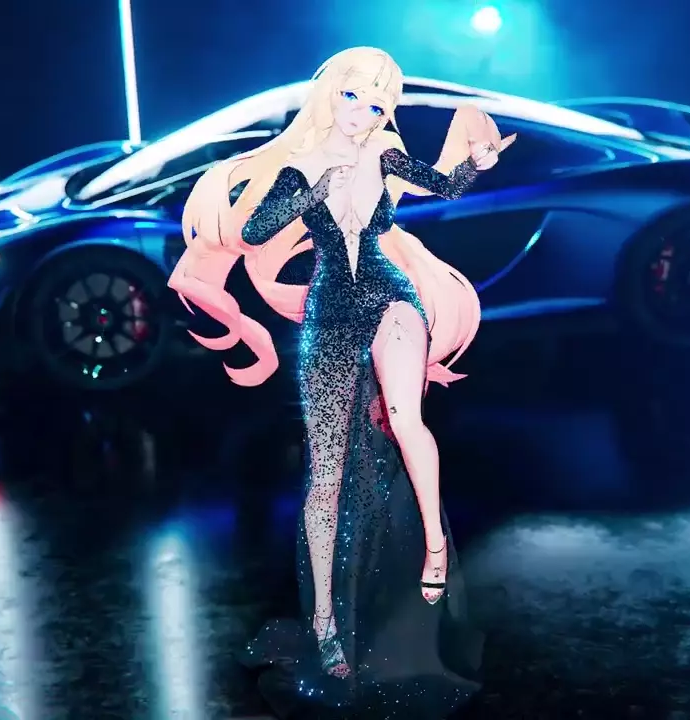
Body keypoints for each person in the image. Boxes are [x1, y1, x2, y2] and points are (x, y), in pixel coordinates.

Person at [168, 46, 514, 717]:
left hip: (390, 295)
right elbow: (254, 229)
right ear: (331, 94)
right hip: (329, 312)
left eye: (379, 103)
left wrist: (477, 162)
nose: (365, 112)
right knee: (325, 474)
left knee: (407, 419)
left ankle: (435, 548)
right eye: (355, 96)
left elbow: (443, 187)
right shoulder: (298, 163)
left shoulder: (384, 153)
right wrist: (313, 190)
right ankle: (325, 621)